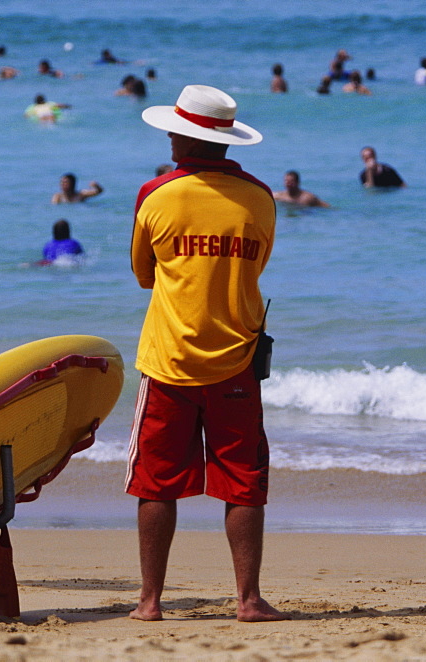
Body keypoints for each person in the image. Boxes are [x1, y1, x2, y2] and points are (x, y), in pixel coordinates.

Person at [128, 84, 287, 623]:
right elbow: (256, 266)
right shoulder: (260, 198)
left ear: (184, 137)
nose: (170, 135)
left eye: (174, 129)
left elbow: (144, 275)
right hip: (238, 360)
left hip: (168, 361)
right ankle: (248, 600)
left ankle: (149, 602)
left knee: (156, 481)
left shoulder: (156, 194)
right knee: (243, 481)